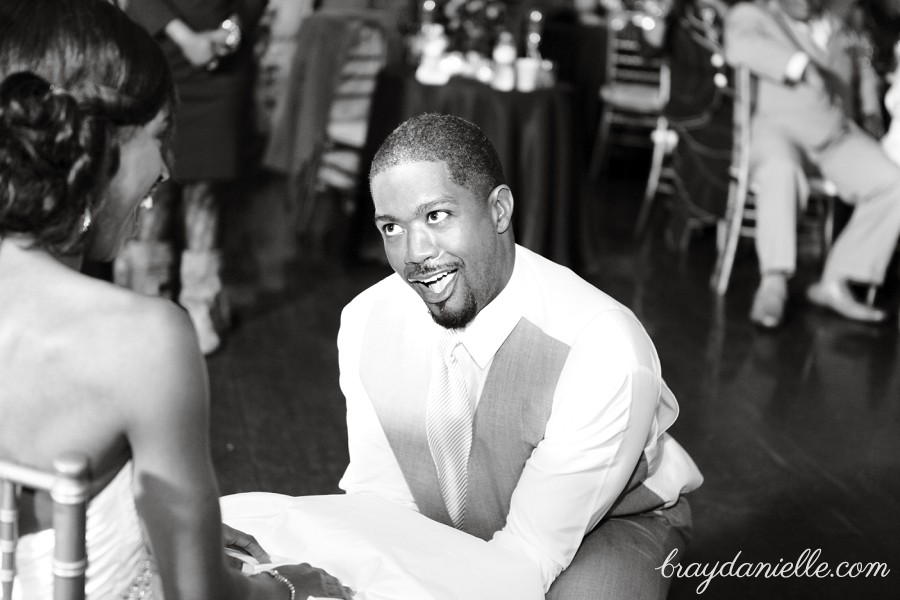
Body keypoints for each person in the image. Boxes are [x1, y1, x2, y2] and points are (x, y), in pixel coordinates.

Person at [0, 1, 353, 598]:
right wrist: (289, 587)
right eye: (161, 138)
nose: (166, 170)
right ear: (98, 141)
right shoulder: (145, 340)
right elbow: (200, 593)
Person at [337, 113, 704, 598]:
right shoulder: (367, 322)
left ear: (499, 210)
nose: (414, 253)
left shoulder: (601, 348)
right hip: (446, 524)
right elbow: (380, 498)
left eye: (436, 215)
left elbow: (531, 553)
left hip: (608, 522)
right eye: (391, 227)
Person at [724, 0, 900, 328]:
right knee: (781, 169)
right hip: (779, 129)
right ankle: (773, 283)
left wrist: (871, 109)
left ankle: (836, 280)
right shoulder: (754, 15)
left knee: (895, 184)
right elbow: (739, 45)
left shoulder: (841, 26)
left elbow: (862, 70)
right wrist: (800, 64)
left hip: (836, 135)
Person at [114, 0, 267, 355]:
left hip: (222, 64)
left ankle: (201, 307)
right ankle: (147, 302)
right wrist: (185, 39)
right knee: (154, 183)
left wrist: (232, 30)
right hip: (158, 54)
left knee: (205, 189)